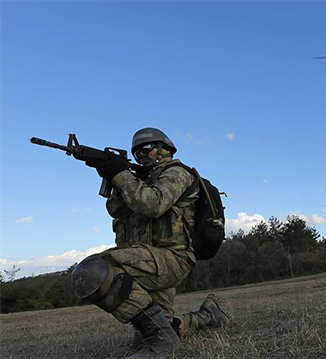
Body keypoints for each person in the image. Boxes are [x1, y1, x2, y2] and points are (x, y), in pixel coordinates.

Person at [69, 128, 230, 359]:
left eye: (147, 148)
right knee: (144, 337)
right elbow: (115, 209)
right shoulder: (141, 181)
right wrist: (114, 175)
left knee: (93, 270)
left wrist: (120, 173)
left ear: (165, 148)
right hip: (149, 259)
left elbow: (153, 204)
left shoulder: (177, 173)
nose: (141, 155)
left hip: (171, 258)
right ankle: (207, 316)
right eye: (136, 152)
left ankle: (163, 341)